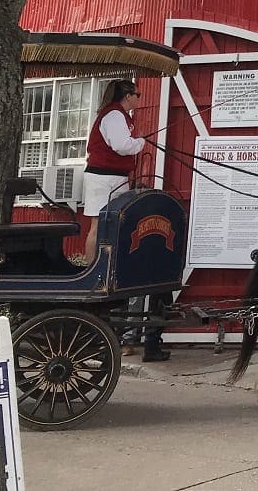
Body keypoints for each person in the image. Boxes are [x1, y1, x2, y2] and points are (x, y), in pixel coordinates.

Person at [82, 79, 169, 362]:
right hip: (105, 176)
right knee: (99, 223)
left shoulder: (112, 115)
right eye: (137, 95)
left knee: (105, 223)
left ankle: (97, 265)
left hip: (110, 175)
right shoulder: (115, 115)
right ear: (127, 96)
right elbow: (121, 145)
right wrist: (140, 143)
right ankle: (93, 269)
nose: (139, 99)